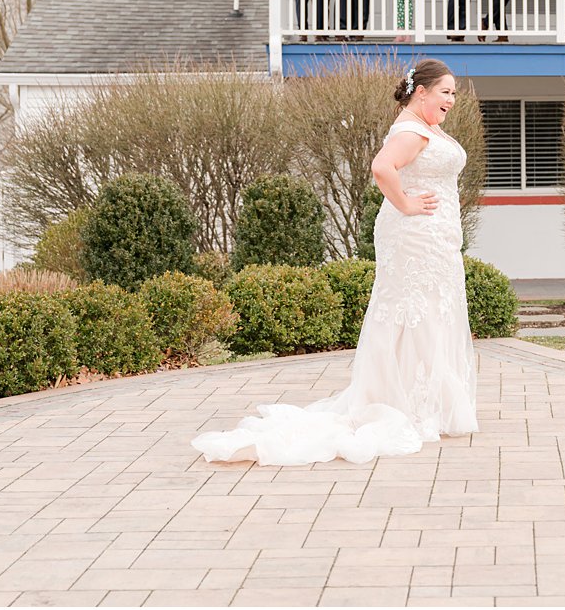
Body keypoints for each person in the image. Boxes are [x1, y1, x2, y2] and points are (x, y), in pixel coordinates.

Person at [193, 59, 477, 466]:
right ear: (422, 92)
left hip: (434, 236)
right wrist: (407, 204)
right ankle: (407, 403)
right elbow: (382, 167)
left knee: (432, 310)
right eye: (446, 91)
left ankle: (428, 400)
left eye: (453, 92)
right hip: (415, 237)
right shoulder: (411, 129)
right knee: (415, 312)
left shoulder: (425, 128)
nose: (452, 98)